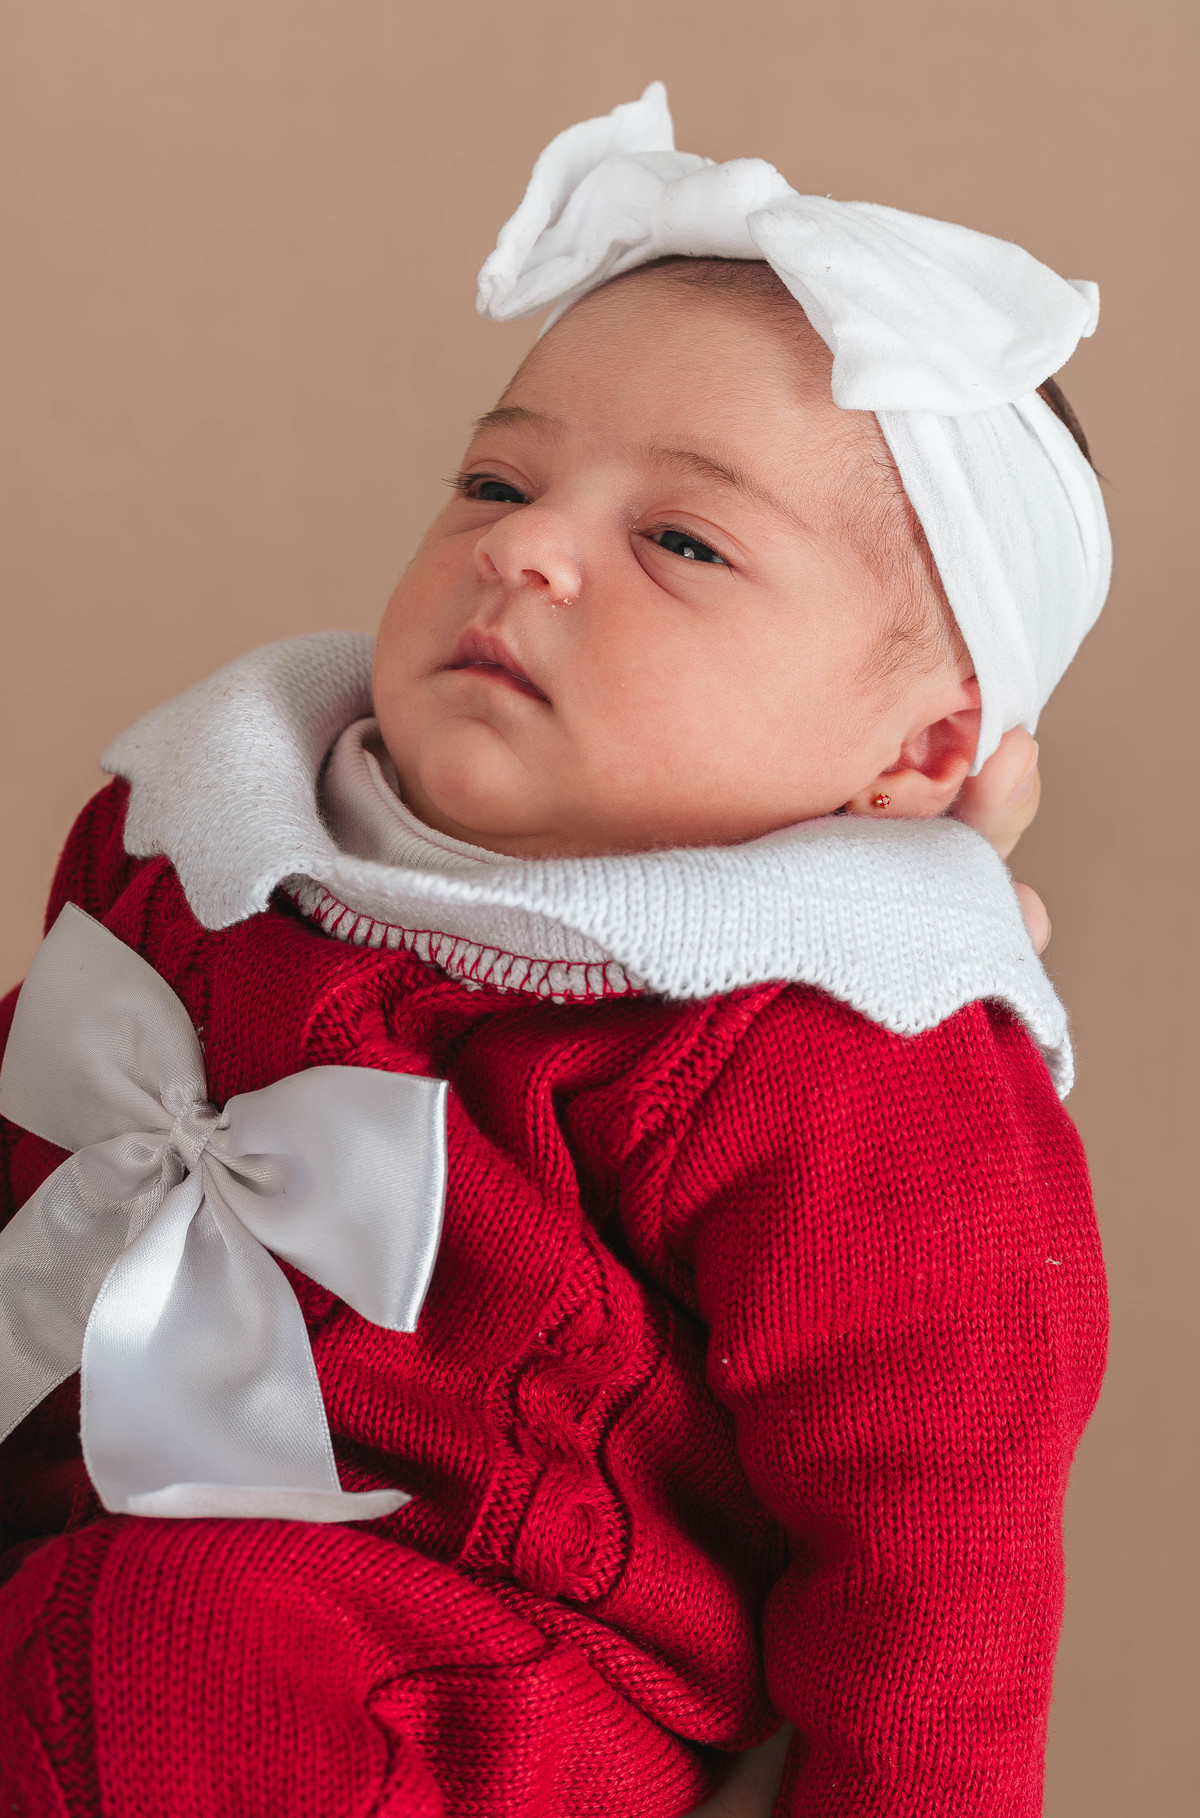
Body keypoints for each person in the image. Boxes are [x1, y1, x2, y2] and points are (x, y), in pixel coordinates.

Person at [0, 85, 1108, 1818]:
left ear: (919, 752)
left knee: (180, 1636)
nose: (521, 544)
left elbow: (938, 1581)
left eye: (682, 541)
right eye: (497, 479)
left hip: (496, 1693)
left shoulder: (849, 1062)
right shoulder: (201, 845)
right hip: (66, 1565)